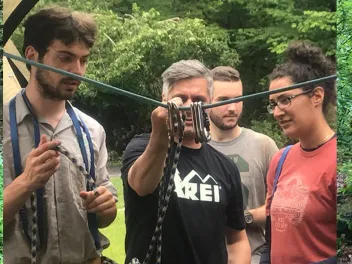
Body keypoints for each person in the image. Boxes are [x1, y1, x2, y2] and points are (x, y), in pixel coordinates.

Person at [3, 6, 117, 264]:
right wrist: (26, 182)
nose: (77, 70)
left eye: (83, 60)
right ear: (32, 55)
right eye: (65, 58)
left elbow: (105, 219)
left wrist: (106, 209)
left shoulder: (93, 130)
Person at [121, 59, 251, 264]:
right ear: (164, 100)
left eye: (199, 98)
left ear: (209, 102)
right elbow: (142, 186)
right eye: (181, 98)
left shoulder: (226, 168)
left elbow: (237, 239)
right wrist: (160, 134)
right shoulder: (141, 148)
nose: (190, 106)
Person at [259, 40, 337, 264]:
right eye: (273, 104)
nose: (276, 112)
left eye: (285, 100)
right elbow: (271, 240)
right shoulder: (280, 160)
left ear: (316, 96)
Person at [207, 66, 278, 264]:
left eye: (238, 99)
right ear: (205, 101)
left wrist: (243, 217)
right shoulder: (194, 147)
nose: (232, 108)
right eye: (223, 101)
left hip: (255, 256)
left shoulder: (264, 145)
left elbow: (281, 206)